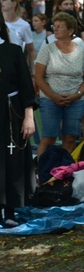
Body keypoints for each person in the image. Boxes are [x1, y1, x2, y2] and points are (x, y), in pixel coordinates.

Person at [34, 12, 84, 156]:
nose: (55, 28)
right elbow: (39, 77)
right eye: (55, 25)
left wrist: (77, 95)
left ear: (71, 31)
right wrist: (53, 96)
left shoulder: (81, 50)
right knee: (49, 137)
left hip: (75, 100)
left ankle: (66, 172)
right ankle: (42, 172)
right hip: (50, 100)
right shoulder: (47, 49)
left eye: (60, 26)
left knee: (70, 137)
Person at [0, 18, 36, 228]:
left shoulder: (13, 51)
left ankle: (9, 210)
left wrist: (29, 117)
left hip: (11, 112)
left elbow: (25, 86)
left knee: (10, 159)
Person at [1, 0, 35, 69]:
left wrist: (33, 73)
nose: (1, 2)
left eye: (4, 0)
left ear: (14, 3)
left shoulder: (24, 25)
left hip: (15, 64)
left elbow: (31, 51)